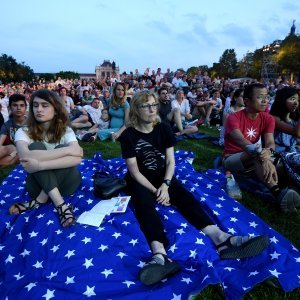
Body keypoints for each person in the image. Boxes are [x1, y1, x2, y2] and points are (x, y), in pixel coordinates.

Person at [118, 90, 270, 286]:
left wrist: (165, 185)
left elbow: (171, 161)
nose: (152, 109)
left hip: (162, 175)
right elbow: (134, 171)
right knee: (144, 205)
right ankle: (160, 255)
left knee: (184, 196)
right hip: (139, 179)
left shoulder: (163, 128)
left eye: (154, 105)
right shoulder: (128, 135)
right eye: (146, 106)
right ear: (137, 110)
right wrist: (156, 191)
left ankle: (221, 239)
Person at [9, 89, 83, 228]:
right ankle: (61, 205)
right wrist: (67, 150)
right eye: (35, 105)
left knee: (56, 149)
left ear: (55, 109)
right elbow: (25, 157)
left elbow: (77, 159)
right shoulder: (23, 131)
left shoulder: (66, 130)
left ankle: (41, 200)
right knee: (37, 146)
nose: (39, 109)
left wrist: (39, 165)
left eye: (45, 105)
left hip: (67, 184)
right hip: (36, 185)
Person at [223, 83, 300, 212]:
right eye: (260, 97)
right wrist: (264, 158)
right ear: (247, 101)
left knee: (283, 166)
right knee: (256, 155)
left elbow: (270, 142)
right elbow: (242, 142)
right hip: (232, 158)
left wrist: (268, 153)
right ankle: (277, 194)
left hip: (257, 154)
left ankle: (293, 191)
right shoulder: (233, 118)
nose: (265, 100)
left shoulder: (268, 118)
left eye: (266, 96)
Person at [269, 87, 300, 153]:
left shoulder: (294, 119)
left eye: (298, 100)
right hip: (279, 154)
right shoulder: (274, 118)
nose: (296, 103)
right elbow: (296, 132)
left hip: (292, 152)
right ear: (282, 100)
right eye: (292, 99)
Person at [0, 94, 27, 166]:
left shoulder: (32, 123)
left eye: (22, 105)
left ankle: (12, 161)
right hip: (13, 150)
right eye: (15, 105)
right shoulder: (7, 124)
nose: (18, 108)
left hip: (27, 150)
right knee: (7, 148)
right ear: (10, 108)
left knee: (9, 159)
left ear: (25, 108)